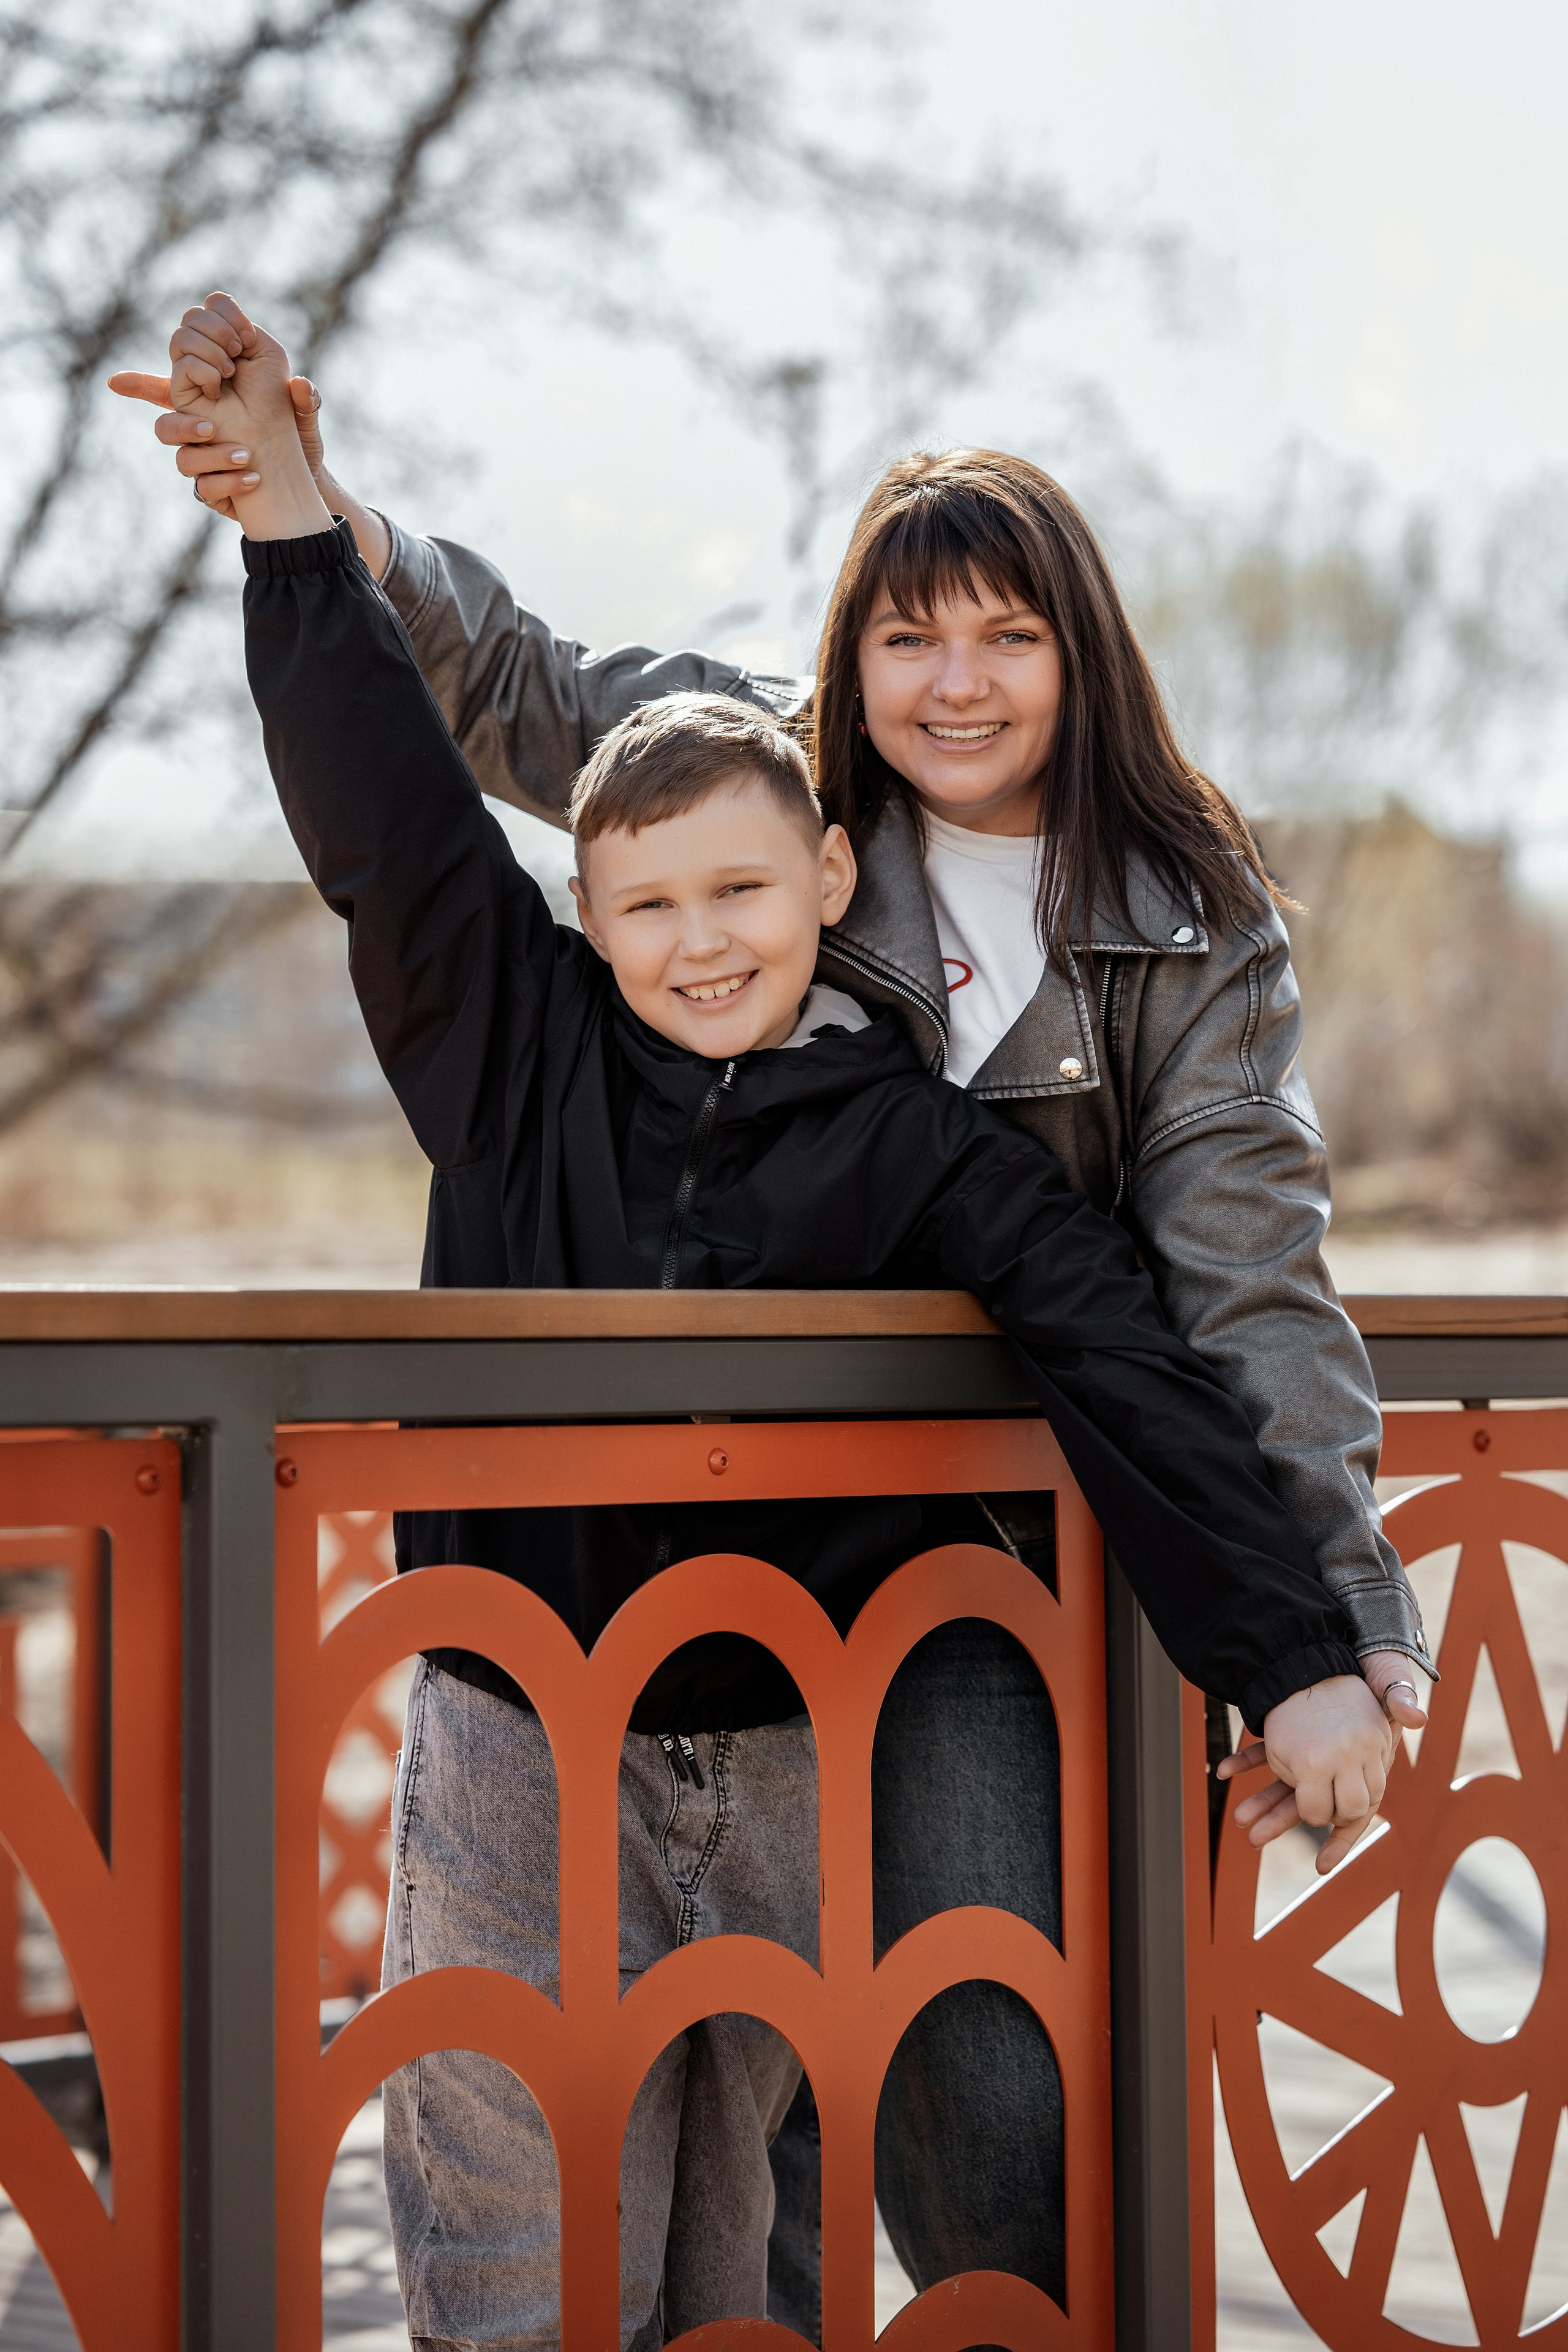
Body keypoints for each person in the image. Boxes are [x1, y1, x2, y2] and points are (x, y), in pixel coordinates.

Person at [111, 296, 1431, 2335]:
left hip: (922, 1602)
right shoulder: (615, 947)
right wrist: (314, 521)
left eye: (1008, 635)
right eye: (913, 637)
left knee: (881, 2139)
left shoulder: (1108, 994)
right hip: (547, 1678)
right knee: (533, 2209)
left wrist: (1319, 1635)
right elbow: (458, 752)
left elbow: (1209, 1299)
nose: (955, 680)